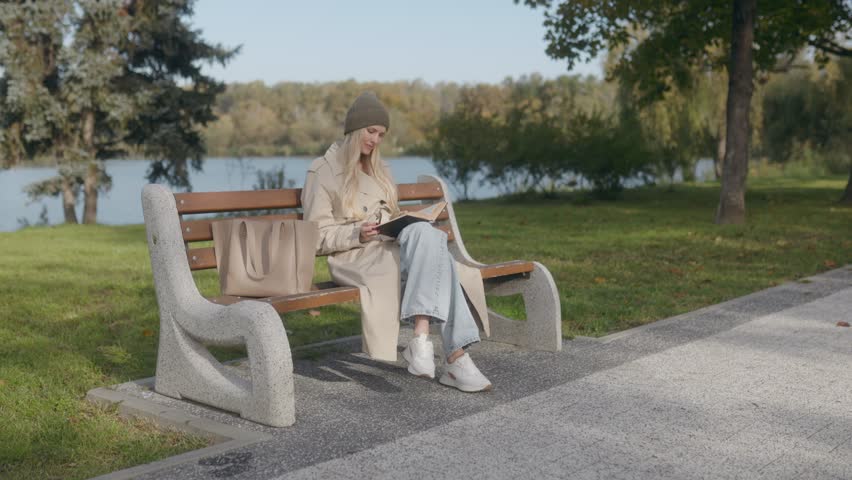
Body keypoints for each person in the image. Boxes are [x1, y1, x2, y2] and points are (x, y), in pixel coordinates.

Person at [300, 92, 492, 392]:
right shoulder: (322, 171)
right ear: (354, 129)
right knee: (441, 259)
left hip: (390, 248)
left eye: (381, 134)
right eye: (371, 131)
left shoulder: (380, 169)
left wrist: (403, 221)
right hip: (355, 256)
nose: (376, 140)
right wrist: (357, 232)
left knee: (427, 235)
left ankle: (422, 340)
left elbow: (391, 215)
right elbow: (315, 237)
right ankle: (456, 359)